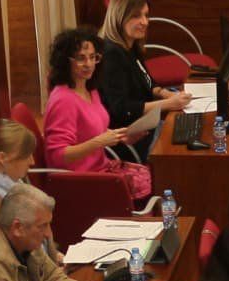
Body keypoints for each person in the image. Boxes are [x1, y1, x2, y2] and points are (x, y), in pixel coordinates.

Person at [44, 26, 157, 201]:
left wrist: (122, 137)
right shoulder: (63, 100)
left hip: (100, 169)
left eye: (93, 57)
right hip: (83, 181)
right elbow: (58, 156)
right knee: (155, 184)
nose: (88, 64)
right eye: (81, 58)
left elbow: (91, 130)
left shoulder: (90, 89)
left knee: (158, 175)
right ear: (65, 61)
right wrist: (99, 142)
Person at [90, 0, 187, 165]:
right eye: (136, 16)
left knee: (191, 124)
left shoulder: (130, 45)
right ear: (119, 18)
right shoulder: (111, 55)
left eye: (146, 15)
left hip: (146, 125)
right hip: (130, 139)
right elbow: (122, 108)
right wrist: (168, 104)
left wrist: (167, 94)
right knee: (185, 149)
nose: (144, 22)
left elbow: (148, 82)